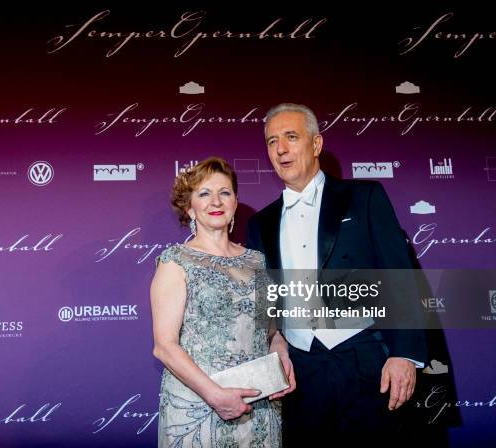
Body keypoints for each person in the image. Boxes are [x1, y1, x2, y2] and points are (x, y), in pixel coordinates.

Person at [246, 103, 427, 442]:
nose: (281, 149)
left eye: (291, 137)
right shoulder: (260, 223)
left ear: (316, 144)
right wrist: (276, 340)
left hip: (366, 358)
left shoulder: (365, 197)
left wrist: (405, 352)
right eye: (272, 141)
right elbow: (266, 297)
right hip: (302, 370)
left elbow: (399, 274)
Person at [151, 157, 295, 447]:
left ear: (235, 202)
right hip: (199, 409)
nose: (216, 201)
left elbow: (270, 332)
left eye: (225, 192)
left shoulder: (256, 260)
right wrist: (216, 396)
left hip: (259, 404)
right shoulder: (175, 261)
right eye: (204, 193)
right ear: (189, 207)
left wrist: (282, 355)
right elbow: (165, 346)